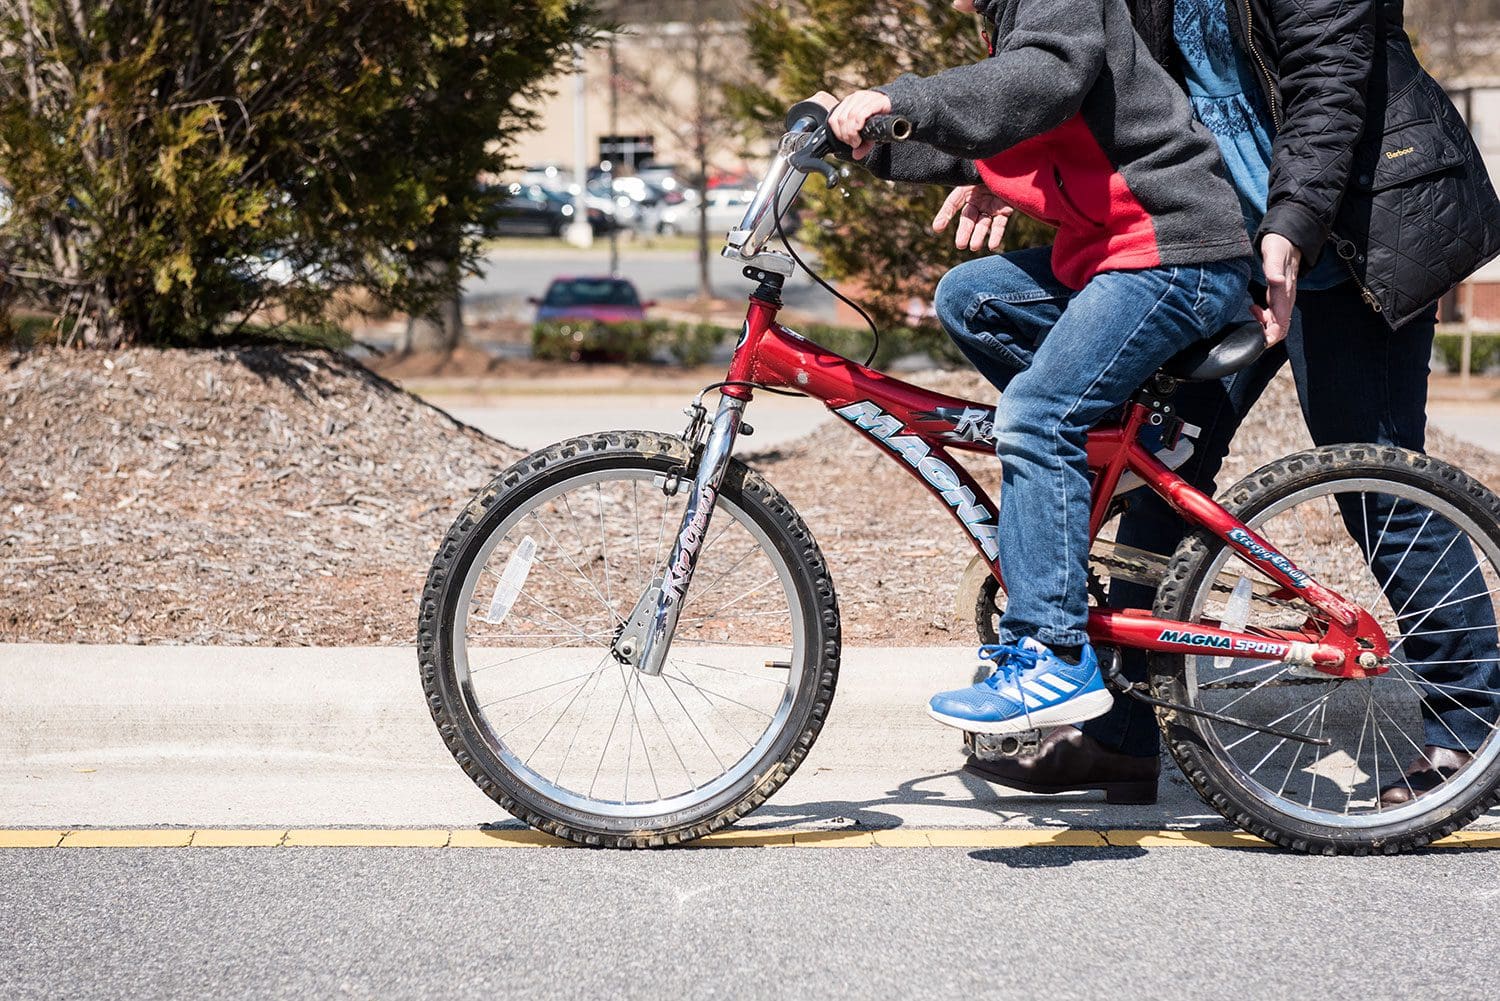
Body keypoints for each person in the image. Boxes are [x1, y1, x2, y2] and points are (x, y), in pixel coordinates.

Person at [960, 0, 1500, 805]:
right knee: (1162, 477)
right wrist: (1009, 166)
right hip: (1214, 252)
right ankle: (1122, 733)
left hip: (1348, 235)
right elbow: (1117, 90)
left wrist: (1292, 222)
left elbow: (1328, 84)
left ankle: (1473, 726)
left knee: (1381, 488)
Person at [817, 0, 1253, 736]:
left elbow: (1043, 80)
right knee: (971, 295)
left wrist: (907, 97)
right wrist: (871, 140)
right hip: (1117, 257)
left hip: (1172, 250)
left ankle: (1054, 653)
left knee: (1036, 416)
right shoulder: (1013, 15)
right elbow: (996, 136)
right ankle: (1087, 467)